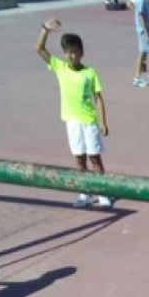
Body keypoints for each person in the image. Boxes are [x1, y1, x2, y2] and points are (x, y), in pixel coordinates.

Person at [34, 18, 111, 209]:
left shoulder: (90, 73)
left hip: (89, 122)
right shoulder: (60, 67)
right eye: (67, 52)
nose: (70, 56)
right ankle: (85, 192)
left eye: (74, 52)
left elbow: (98, 98)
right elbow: (39, 49)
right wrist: (45, 30)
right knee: (79, 158)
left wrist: (103, 122)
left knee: (95, 158)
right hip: (72, 122)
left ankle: (103, 191)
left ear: (81, 53)